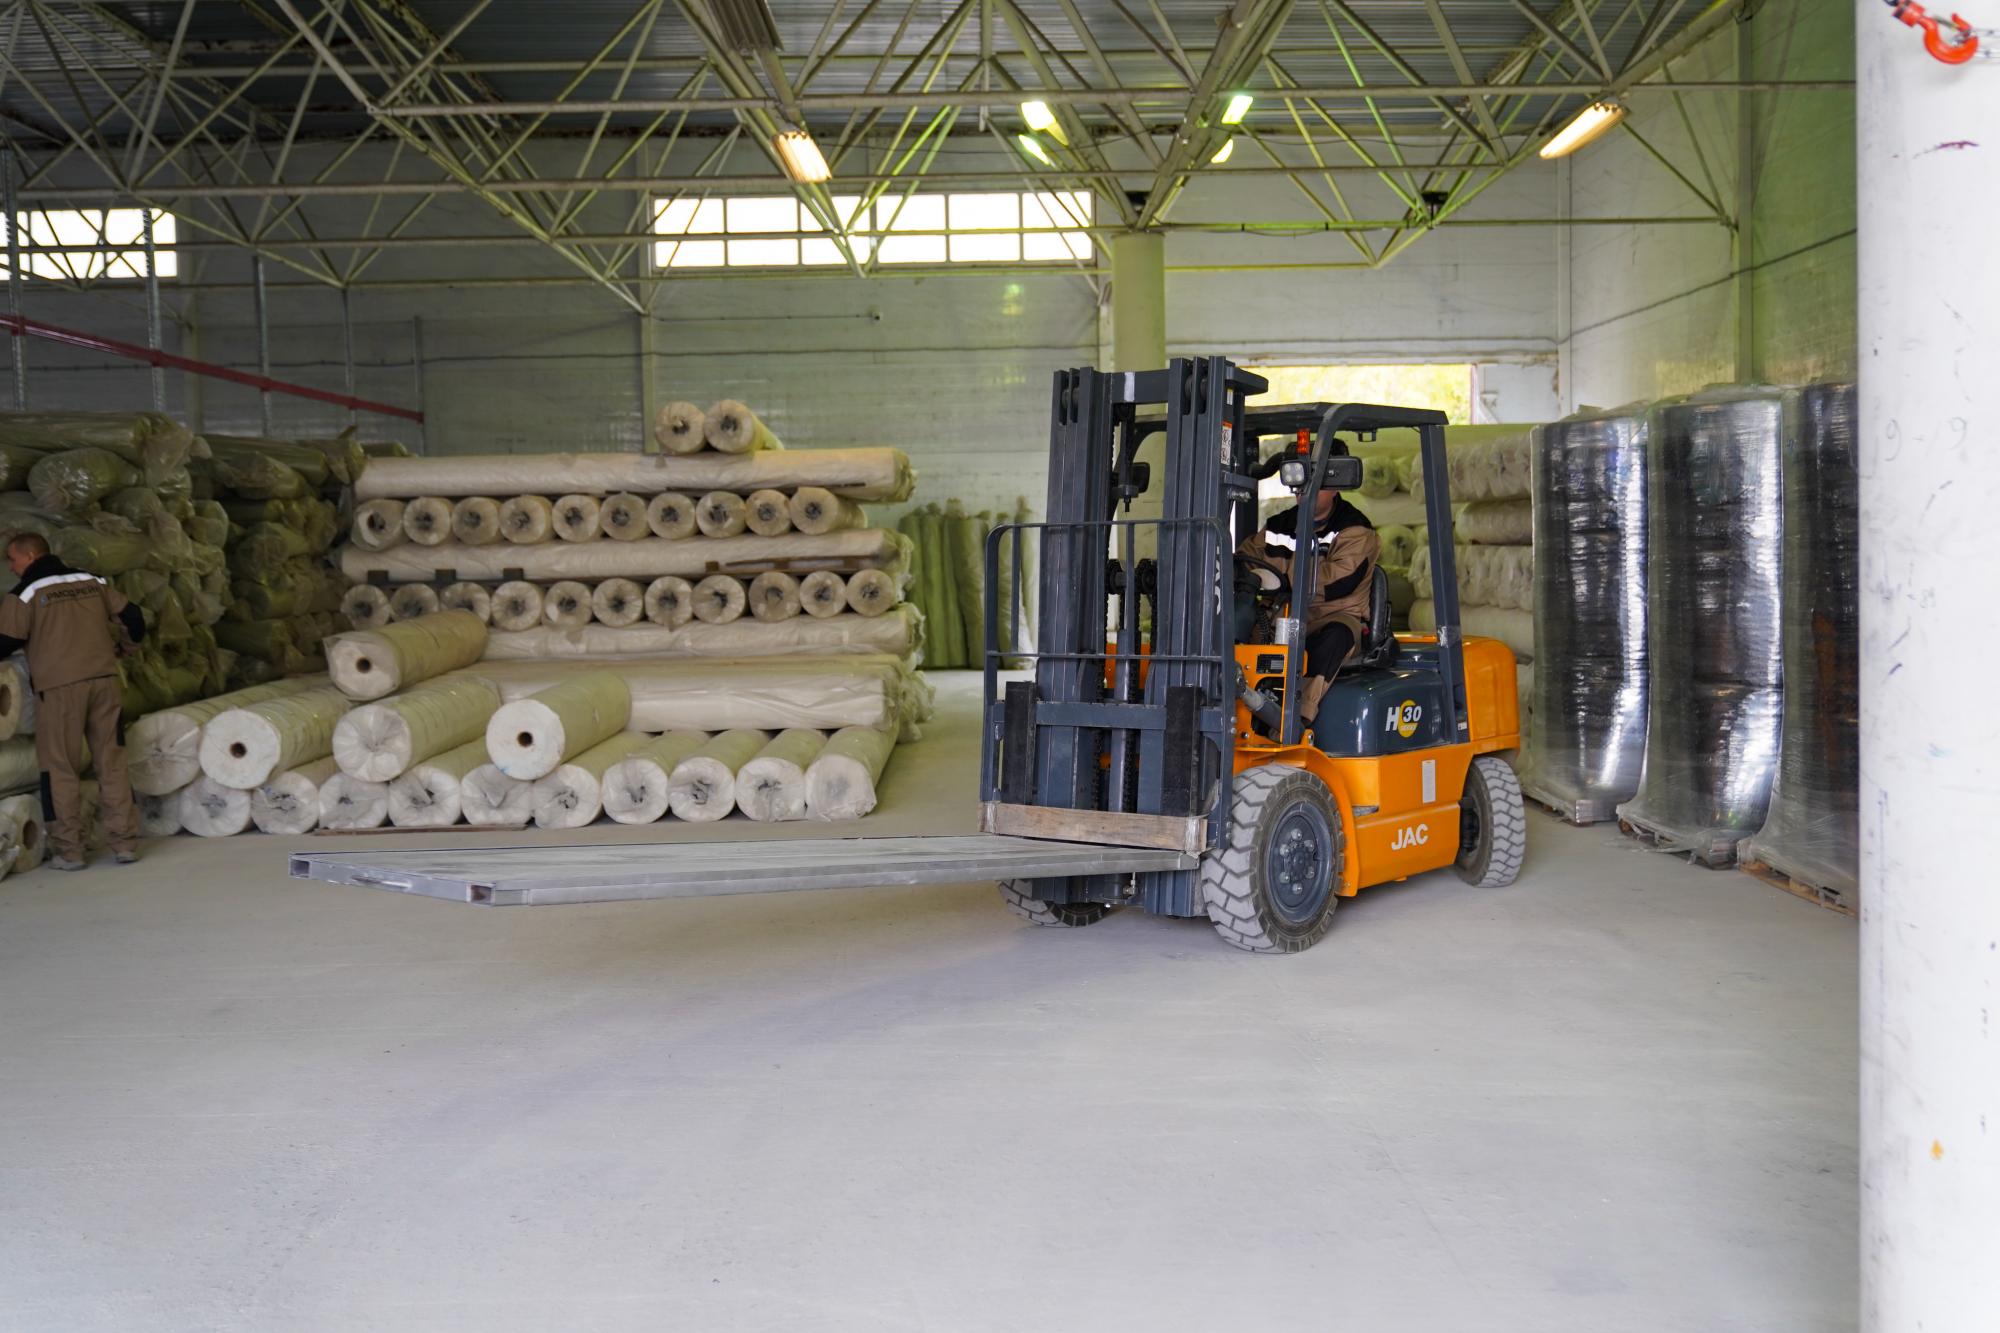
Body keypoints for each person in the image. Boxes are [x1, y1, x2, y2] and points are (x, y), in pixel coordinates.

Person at [0, 533, 147, 869]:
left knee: (59, 768)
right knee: (111, 762)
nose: (10, 566)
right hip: (104, 682)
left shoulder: (25, 593)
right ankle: (125, 844)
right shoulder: (92, 581)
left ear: (31, 555)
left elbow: (5, 641)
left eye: (13, 558)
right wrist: (125, 648)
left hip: (59, 690)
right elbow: (134, 617)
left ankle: (71, 851)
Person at [1236, 473, 1381, 734]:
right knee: (1234, 628)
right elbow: (1245, 559)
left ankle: (1291, 722)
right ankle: (1232, 708)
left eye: (1315, 484)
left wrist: (1281, 578)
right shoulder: (1278, 525)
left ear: (1335, 487)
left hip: (1331, 616)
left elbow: (1338, 580)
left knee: (1335, 637)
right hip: (1280, 615)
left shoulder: (1355, 529)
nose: (1303, 490)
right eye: (1301, 483)